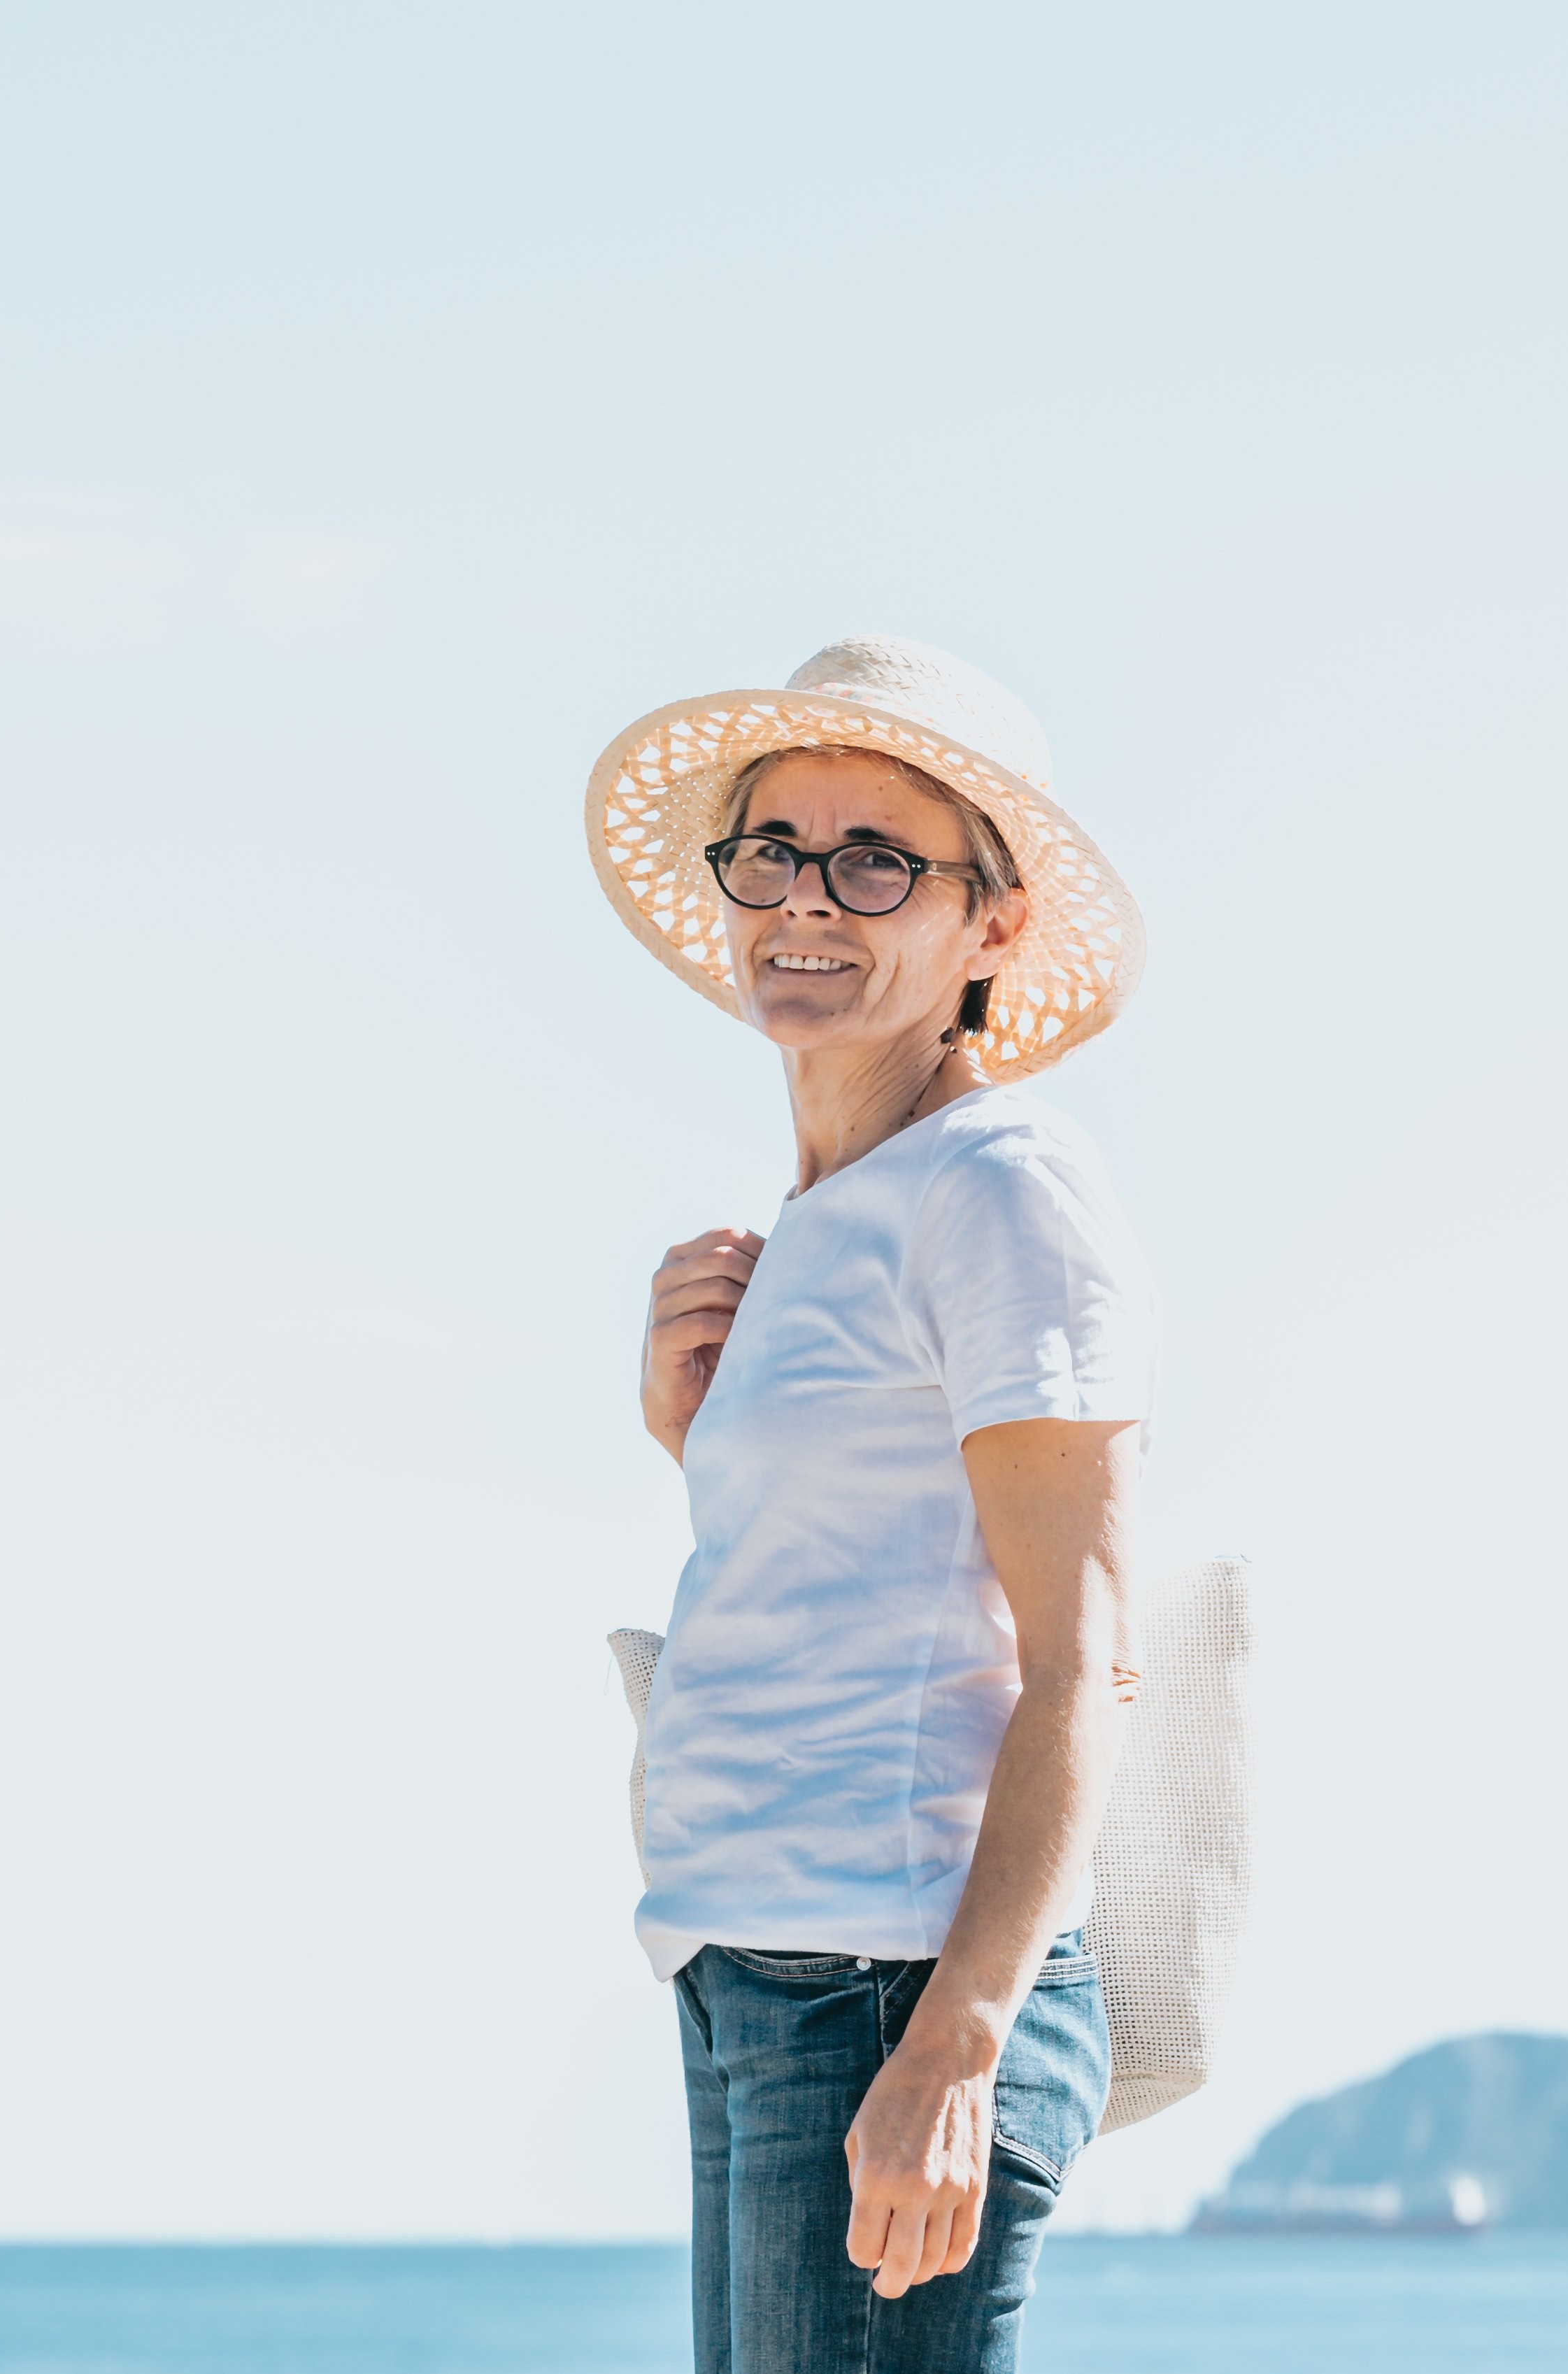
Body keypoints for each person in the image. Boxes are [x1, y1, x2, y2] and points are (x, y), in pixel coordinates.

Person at [584, 638, 1158, 2374]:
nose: (803, 899)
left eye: (873, 858)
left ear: (986, 925)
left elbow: (1083, 1659)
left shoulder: (998, 1185)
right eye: (770, 850)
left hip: (886, 1985)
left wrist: (958, 2040)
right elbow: (880, 1577)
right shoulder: (828, 1218)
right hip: (761, 1970)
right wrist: (693, 1434)